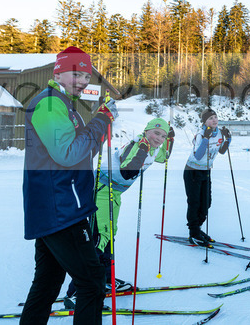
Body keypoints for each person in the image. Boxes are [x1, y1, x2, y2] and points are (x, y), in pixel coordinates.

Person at [20, 46, 118, 325]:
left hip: (58, 205)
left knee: (48, 282)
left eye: (86, 76)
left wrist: (100, 123)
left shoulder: (63, 104)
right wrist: (100, 121)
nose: (83, 81)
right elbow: (68, 154)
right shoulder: (50, 104)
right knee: (92, 281)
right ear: (57, 74)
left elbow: (82, 152)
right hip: (60, 207)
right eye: (76, 74)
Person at [64, 117, 175, 308]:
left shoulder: (154, 148)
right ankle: (77, 291)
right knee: (100, 237)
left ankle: (106, 279)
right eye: (156, 133)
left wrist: (170, 140)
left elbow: (163, 157)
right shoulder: (137, 145)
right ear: (146, 131)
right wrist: (142, 150)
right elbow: (127, 172)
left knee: (109, 235)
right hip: (101, 190)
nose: (158, 138)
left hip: (113, 193)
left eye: (163, 136)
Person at [184, 108, 231, 246]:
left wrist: (228, 139)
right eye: (210, 118)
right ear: (205, 121)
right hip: (193, 171)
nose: (214, 120)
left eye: (215, 117)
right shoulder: (200, 134)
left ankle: (197, 229)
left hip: (206, 171)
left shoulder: (219, 133)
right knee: (194, 203)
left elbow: (222, 151)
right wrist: (205, 138)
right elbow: (198, 156)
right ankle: (194, 233)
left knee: (206, 203)